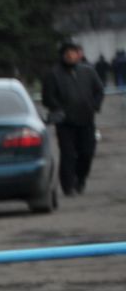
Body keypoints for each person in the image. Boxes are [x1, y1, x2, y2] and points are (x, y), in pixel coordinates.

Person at [41, 41, 107, 195]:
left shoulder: (88, 71)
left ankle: (81, 179)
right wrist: (60, 108)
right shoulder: (54, 74)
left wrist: (94, 106)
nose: (71, 55)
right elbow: (47, 98)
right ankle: (68, 185)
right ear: (63, 55)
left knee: (87, 152)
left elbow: (99, 90)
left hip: (86, 119)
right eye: (68, 53)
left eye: (74, 52)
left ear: (79, 54)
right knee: (68, 154)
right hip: (65, 122)